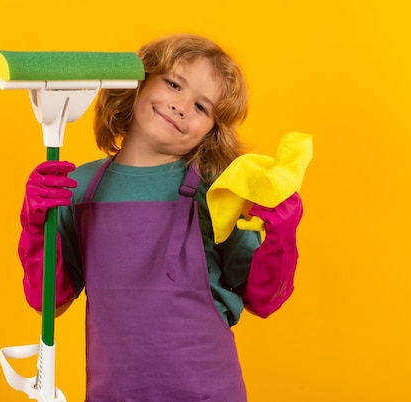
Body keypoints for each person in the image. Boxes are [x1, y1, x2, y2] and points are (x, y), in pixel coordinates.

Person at [18, 33, 303, 401]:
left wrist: (282, 234)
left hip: (208, 391)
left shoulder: (219, 191)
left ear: (212, 132)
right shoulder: (77, 188)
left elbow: (262, 299)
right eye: (173, 84)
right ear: (138, 85)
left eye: (202, 107)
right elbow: (50, 302)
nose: (182, 106)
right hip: (114, 393)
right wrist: (37, 223)